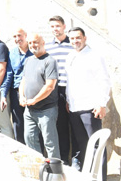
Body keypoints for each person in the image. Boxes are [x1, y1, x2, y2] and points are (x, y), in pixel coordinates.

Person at [67, 27, 110, 179]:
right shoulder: (70, 56)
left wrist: (101, 104)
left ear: (85, 38)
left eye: (78, 38)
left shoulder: (95, 56)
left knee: (97, 145)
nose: (75, 41)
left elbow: (104, 81)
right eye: (72, 38)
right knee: (83, 145)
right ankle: (88, 177)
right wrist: (68, 100)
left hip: (91, 108)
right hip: (74, 108)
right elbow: (70, 82)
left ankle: (100, 178)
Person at [20, 33, 60, 159]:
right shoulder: (28, 60)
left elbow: (50, 86)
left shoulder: (50, 61)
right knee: (29, 139)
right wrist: (21, 96)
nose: (33, 45)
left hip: (46, 110)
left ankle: (55, 169)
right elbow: (24, 80)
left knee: (50, 142)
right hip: (29, 110)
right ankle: (37, 165)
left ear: (43, 43)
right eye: (30, 43)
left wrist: (35, 100)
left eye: (35, 42)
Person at [47, 15, 75, 163]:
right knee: (61, 126)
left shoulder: (73, 44)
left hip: (71, 89)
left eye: (57, 26)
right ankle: (64, 160)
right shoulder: (48, 46)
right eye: (52, 26)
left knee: (75, 126)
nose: (55, 29)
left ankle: (77, 160)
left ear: (64, 26)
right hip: (55, 90)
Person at [2, 28, 33, 144]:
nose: (17, 39)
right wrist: (4, 94)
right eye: (14, 36)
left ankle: (37, 151)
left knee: (34, 124)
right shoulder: (12, 53)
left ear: (25, 35)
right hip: (16, 93)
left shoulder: (34, 51)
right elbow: (9, 74)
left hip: (32, 92)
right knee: (18, 123)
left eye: (19, 35)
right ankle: (21, 148)